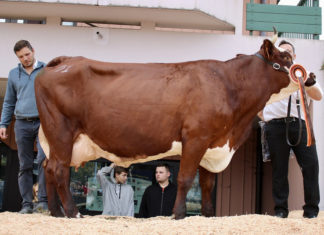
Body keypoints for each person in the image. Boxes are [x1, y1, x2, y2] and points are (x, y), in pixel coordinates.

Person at [262, 40, 323, 219]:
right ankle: (281, 210)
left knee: (311, 165)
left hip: (300, 124)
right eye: (281, 52)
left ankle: (311, 210)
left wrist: (307, 82)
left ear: (294, 56)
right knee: (279, 169)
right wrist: (264, 117)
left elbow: (319, 96)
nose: (285, 54)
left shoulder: (301, 72)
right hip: (275, 125)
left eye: (288, 52)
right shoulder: (269, 73)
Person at [0, 40, 48, 214]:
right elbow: (9, 101)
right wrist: (3, 123)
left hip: (43, 123)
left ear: (33, 51)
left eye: (27, 54)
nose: (25, 59)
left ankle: (42, 201)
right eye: (21, 57)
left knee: (43, 161)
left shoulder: (46, 70)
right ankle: (27, 204)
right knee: (25, 165)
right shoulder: (13, 74)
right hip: (20, 123)